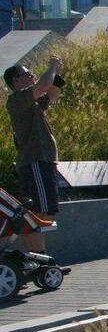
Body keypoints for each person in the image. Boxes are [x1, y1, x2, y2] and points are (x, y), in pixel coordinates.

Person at [4, 57, 64, 253]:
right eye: (27, 74)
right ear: (16, 81)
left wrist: (58, 73)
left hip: (43, 162)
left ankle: (37, 258)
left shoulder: (33, 104)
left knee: (43, 213)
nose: (31, 76)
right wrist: (52, 67)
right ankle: (38, 258)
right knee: (38, 212)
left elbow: (52, 93)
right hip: (34, 162)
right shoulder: (17, 99)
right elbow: (44, 84)